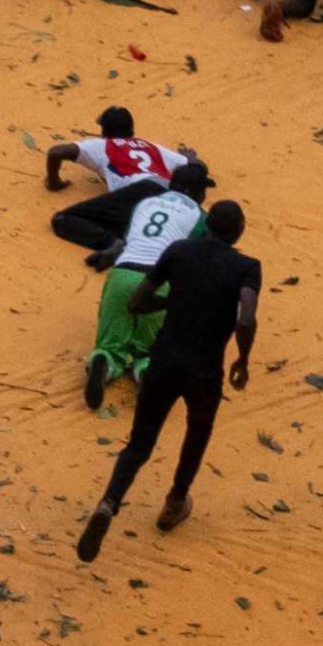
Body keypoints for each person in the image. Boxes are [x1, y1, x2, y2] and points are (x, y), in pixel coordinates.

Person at [77, 201, 258, 558]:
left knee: (139, 445)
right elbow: (245, 319)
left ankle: (109, 502)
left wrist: (172, 303)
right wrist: (243, 360)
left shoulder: (179, 251)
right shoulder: (247, 267)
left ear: (208, 227)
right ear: (239, 231)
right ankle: (174, 503)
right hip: (204, 371)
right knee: (196, 433)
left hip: (164, 362)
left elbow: (137, 302)